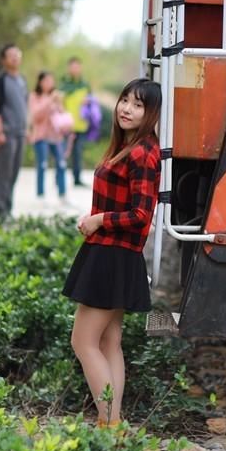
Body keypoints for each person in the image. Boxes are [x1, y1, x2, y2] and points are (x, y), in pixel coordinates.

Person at [63, 78, 162, 427]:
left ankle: (110, 423)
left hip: (112, 254)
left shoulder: (141, 154)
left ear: (150, 114)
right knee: (108, 341)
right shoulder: (132, 147)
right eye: (124, 100)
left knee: (83, 341)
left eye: (138, 105)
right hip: (112, 252)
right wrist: (95, 219)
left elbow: (140, 216)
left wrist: (99, 220)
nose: (126, 109)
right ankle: (113, 424)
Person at [0, 43, 28, 222]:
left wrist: (27, 129)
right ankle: (0, 211)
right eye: (10, 55)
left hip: (20, 133)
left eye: (17, 54)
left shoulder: (22, 80)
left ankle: (8, 209)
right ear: (3, 60)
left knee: (14, 173)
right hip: (7, 133)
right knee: (3, 174)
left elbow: (24, 106)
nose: (14, 58)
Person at [28, 71, 71, 203]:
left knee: (61, 164)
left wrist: (58, 104)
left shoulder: (56, 96)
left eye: (51, 81)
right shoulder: (34, 96)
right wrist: (49, 101)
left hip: (56, 137)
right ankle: (40, 195)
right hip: (41, 137)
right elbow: (36, 116)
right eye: (46, 80)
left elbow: (61, 115)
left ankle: (62, 194)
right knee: (42, 165)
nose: (49, 83)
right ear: (40, 82)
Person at [60, 56, 90, 187]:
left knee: (77, 152)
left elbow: (91, 103)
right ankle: (59, 179)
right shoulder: (64, 85)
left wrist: (88, 102)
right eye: (73, 66)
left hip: (81, 125)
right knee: (63, 152)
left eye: (77, 66)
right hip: (66, 125)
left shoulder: (85, 85)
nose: (75, 69)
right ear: (68, 68)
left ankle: (77, 179)